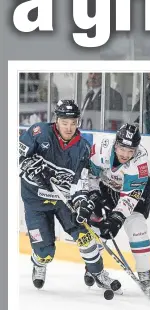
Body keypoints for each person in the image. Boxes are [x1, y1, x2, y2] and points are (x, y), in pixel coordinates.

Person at [18, 100, 121, 295]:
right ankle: (39, 261)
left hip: (64, 201)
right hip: (35, 201)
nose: (69, 127)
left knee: (85, 236)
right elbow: (16, 155)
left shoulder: (82, 147)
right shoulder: (39, 133)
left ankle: (98, 272)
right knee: (45, 253)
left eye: (73, 123)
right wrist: (31, 168)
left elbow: (80, 181)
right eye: (65, 122)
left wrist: (82, 202)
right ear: (56, 120)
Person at [71, 123, 150, 293]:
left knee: (136, 227)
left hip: (136, 191)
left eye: (130, 150)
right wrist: (93, 194)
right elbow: (90, 174)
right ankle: (93, 267)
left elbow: (130, 196)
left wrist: (117, 218)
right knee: (97, 227)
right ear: (116, 144)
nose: (125, 154)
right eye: (122, 148)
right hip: (107, 189)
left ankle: (144, 273)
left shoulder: (141, 162)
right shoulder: (101, 149)